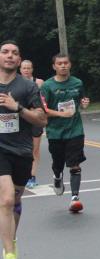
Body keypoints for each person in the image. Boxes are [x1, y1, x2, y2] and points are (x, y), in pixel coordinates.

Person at [0, 41, 47, 259]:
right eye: (5, 52)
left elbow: (42, 119)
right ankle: (9, 255)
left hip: (21, 150)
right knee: (7, 198)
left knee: (16, 200)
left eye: (14, 53)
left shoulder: (27, 87)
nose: (10, 56)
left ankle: (11, 240)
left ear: (19, 60)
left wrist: (16, 107)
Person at [41, 53, 90, 213]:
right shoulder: (47, 86)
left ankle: (75, 198)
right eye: (59, 63)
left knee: (75, 163)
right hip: (55, 132)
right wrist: (62, 114)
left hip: (75, 130)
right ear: (54, 66)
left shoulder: (77, 83)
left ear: (70, 65)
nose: (63, 66)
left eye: (66, 63)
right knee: (58, 163)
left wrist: (84, 104)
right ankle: (57, 176)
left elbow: (82, 101)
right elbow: (43, 110)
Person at [18, 59, 45, 189]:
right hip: (21, 119)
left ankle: (32, 177)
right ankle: (20, 175)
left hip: (35, 119)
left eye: (29, 68)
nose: (26, 70)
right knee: (20, 149)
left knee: (35, 149)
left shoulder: (39, 83)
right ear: (20, 70)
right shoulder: (15, 83)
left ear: (32, 69)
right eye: (24, 68)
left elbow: (44, 101)